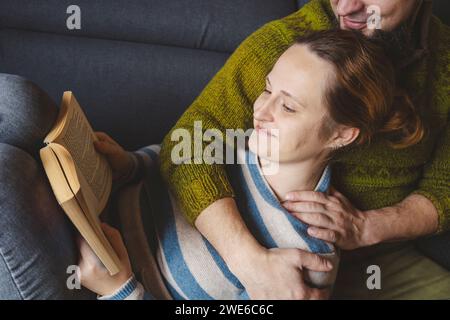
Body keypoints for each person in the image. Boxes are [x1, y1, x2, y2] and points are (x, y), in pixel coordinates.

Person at [77, 29, 436, 300]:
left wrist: (120, 289)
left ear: (341, 135)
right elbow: (170, 163)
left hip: (89, 278)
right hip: (93, 207)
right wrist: (132, 165)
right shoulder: (235, 143)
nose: (261, 111)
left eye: (289, 107)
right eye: (267, 90)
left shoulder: (308, 260)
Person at [153, 0, 449, 299]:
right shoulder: (287, 45)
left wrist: (368, 227)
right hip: (262, 244)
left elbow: (444, 186)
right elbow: (188, 144)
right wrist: (249, 261)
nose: (345, 7)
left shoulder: (445, 63)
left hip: (382, 253)